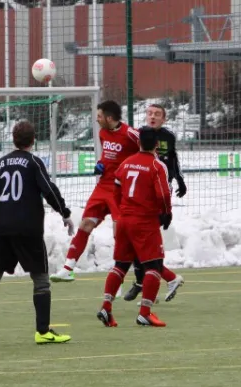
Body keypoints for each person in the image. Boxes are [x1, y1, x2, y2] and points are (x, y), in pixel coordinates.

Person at [0, 120, 73, 346]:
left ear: (13, 140)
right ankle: (42, 331)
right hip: (28, 228)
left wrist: (4, 210)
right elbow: (48, 189)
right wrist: (64, 212)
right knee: (41, 279)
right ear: (33, 140)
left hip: (1, 228)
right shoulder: (34, 163)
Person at [50, 100, 140, 282]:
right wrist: (101, 164)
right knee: (85, 225)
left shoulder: (131, 134)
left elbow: (148, 153)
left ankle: (121, 275)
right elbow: (107, 156)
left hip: (120, 191)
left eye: (99, 116)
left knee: (120, 233)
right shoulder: (103, 133)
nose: (96, 119)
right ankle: (68, 268)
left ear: (109, 117)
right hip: (102, 188)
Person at [97, 127, 172, 328]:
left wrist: (121, 211)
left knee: (120, 265)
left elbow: (116, 190)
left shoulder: (125, 163)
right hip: (144, 222)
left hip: (124, 220)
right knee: (154, 266)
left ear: (139, 143)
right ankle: (145, 313)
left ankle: (106, 307)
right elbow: (163, 195)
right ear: (156, 144)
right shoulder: (157, 166)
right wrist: (167, 212)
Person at [123, 104, 184, 303]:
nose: (153, 117)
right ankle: (157, 280)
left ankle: (146, 282)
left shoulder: (168, 137)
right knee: (141, 244)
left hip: (158, 196)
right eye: (150, 113)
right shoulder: (139, 135)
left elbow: (173, 160)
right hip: (142, 195)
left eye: (157, 114)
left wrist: (180, 180)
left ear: (164, 119)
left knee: (142, 244)